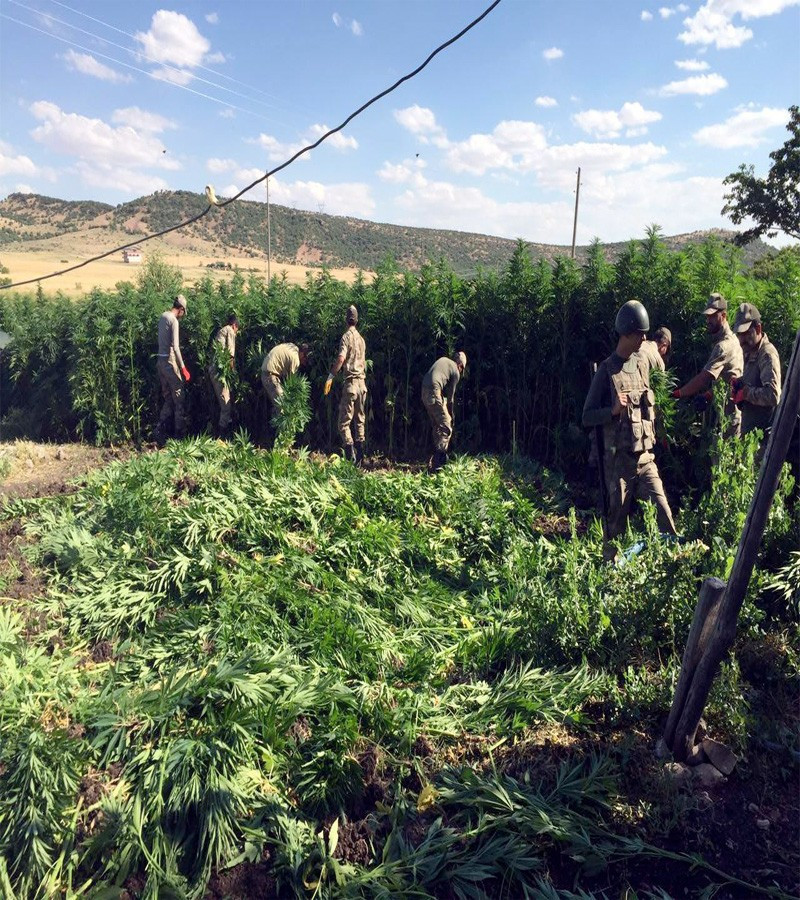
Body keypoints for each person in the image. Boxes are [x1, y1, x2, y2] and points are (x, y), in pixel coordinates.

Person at [582, 300, 677, 559]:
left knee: (664, 515)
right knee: (615, 528)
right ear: (626, 334)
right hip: (619, 465)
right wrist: (611, 412)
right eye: (640, 334)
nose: (644, 338)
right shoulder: (606, 371)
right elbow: (586, 417)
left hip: (645, 459)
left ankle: (673, 569)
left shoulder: (642, 363)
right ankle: (609, 578)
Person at [672, 292, 743, 434]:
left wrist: (679, 393)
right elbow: (728, 380)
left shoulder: (723, 346)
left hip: (728, 419)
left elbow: (705, 377)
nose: (708, 320)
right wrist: (708, 395)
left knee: (723, 455)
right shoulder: (733, 340)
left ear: (723, 316)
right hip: (730, 415)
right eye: (707, 316)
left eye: (712, 316)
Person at [731, 302, 782, 437]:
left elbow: (773, 395)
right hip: (749, 435)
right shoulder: (750, 350)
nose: (741, 340)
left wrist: (746, 393)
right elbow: (755, 381)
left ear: (758, 329)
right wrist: (739, 383)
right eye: (739, 335)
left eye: (746, 333)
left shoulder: (767, 354)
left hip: (762, 440)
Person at [325, 305, 367, 464]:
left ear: (346, 320)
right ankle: (361, 457)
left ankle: (351, 455)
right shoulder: (362, 340)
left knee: (343, 424)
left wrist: (331, 376)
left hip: (350, 384)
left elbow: (341, 359)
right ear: (357, 320)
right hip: (362, 385)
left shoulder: (345, 338)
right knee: (359, 421)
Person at [422, 351, 467, 472]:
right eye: (462, 369)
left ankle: (433, 457)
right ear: (460, 365)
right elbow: (450, 399)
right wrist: (451, 416)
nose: (461, 371)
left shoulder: (445, 361)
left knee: (437, 426)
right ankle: (439, 464)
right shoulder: (456, 371)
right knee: (446, 426)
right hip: (433, 390)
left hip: (424, 392)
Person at [155, 294, 190, 447]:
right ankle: (178, 437)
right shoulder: (174, 320)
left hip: (160, 362)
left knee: (168, 398)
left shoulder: (163, 316)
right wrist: (183, 367)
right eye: (184, 312)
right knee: (179, 398)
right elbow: (175, 347)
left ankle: (159, 430)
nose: (183, 315)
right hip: (170, 362)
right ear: (181, 309)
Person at [208, 314, 239, 436]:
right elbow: (231, 356)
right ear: (235, 325)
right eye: (237, 329)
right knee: (226, 405)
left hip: (214, 370)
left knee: (223, 403)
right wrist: (233, 374)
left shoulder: (221, 331)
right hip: (219, 372)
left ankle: (222, 431)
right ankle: (222, 436)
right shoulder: (230, 330)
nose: (236, 332)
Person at [261, 341, 312, 412]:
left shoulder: (292, 347)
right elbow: (291, 382)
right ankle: (276, 422)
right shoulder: (295, 359)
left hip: (268, 374)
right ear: (302, 354)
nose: (304, 363)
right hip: (270, 377)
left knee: (278, 404)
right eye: (305, 360)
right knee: (283, 406)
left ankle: (274, 420)